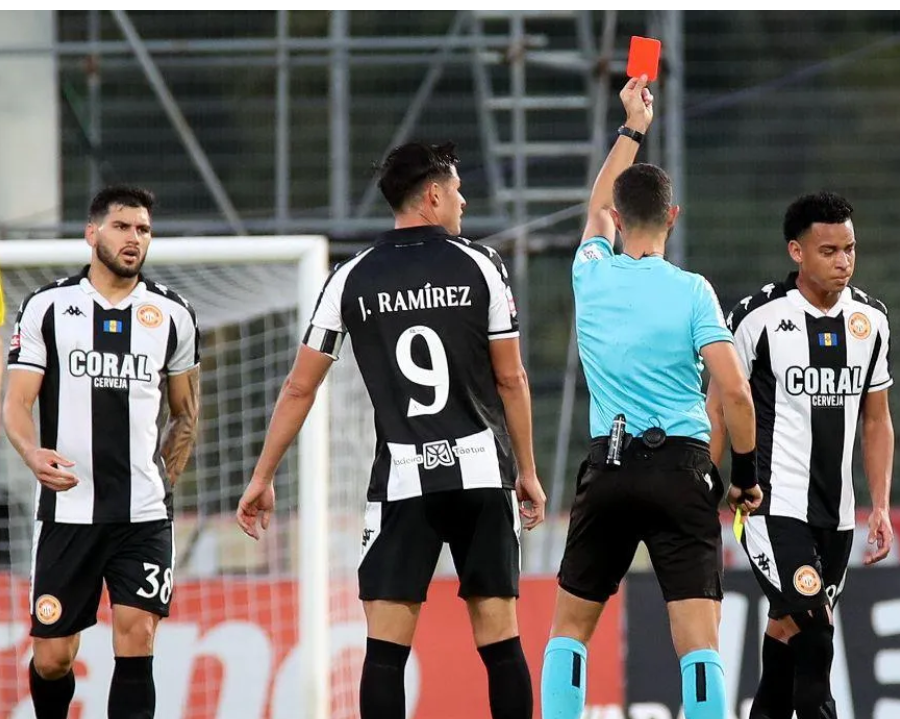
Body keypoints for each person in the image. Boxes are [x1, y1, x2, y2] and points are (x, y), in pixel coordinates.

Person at [237, 141, 546, 719]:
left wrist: (263, 474)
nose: (463, 200)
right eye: (456, 190)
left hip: (404, 478)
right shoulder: (481, 264)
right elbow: (513, 379)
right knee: (500, 641)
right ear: (432, 195)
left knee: (384, 651)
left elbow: (299, 387)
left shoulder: (349, 277)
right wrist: (525, 470)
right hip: (482, 470)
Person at [540, 75, 762, 719]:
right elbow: (736, 394)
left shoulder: (591, 273)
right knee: (698, 645)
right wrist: (741, 475)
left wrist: (632, 124)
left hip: (607, 469)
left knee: (570, 630)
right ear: (673, 216)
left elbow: (594, 205)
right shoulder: (694, 291)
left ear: (615, 218)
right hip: (682, 471)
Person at [3, 185, 201, 719]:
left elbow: (186, 414)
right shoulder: (47, 307)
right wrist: (30, 453)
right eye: (122, 226)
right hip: (69, 513)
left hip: (142, 515)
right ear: (93, 233)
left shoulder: (172, 314)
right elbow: (16, 404)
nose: (134, 238)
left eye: (143, 229)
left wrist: (163, 481)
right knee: (51, 658)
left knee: (137, 637)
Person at [707, 191, 894, 719]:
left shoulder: (871, 321)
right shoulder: (755, 317)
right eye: (829, 250)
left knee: (788, 637)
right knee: (816, 636)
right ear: (796, 251)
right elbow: (719, 408)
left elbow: (876, 420)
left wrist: (878, 505)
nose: (843, 262)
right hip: (768, 507)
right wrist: (701, 487)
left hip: (835, 517)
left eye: (850, 249)